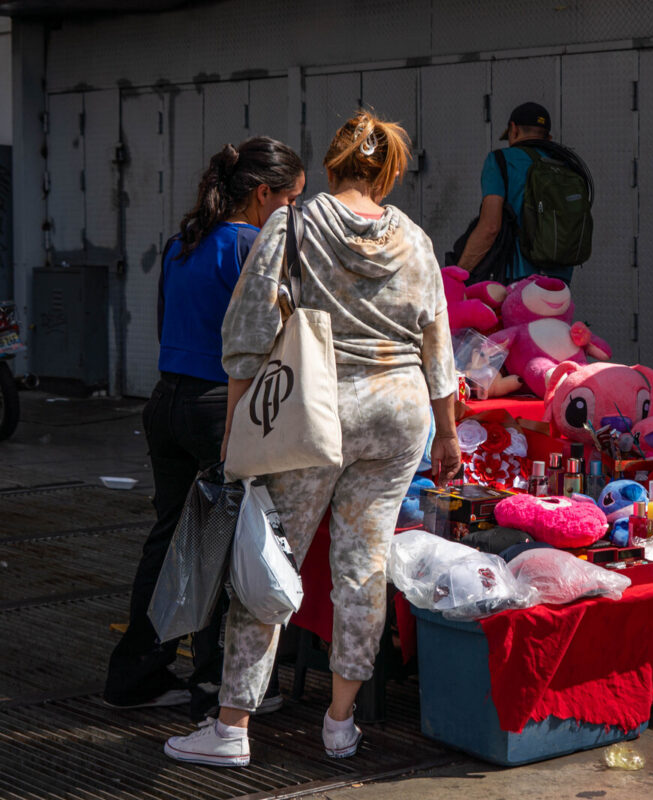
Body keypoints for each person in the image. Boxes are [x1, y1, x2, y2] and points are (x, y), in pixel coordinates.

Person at [163, 110, 461, 767]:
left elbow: (246, 329)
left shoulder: (293, 222)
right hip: (399, 409)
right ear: (389, 172)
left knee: (270, 561)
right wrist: (447, 434)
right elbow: (437, 341)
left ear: (330, 166)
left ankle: (233, 726)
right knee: (364, 566)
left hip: (315, 409)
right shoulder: (413, 238)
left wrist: (239, 422)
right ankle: (340, 724)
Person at [103, 138, 305, 714]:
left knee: (170, 541)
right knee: (226, 546)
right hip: (220, 409)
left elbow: (172, 325)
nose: (293, 215)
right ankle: (216, 686)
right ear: (264, 194)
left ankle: (136, 675)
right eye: (292, 201)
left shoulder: (181, 244)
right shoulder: (253, 248)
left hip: (166, 402)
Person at [456, 101, 576, 284]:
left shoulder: (500, 160)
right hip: (560, 280)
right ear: (548, 139)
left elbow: (490, 228)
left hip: (519, 279)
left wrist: (459, 273)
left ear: (513, 130)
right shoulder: (565, 166)